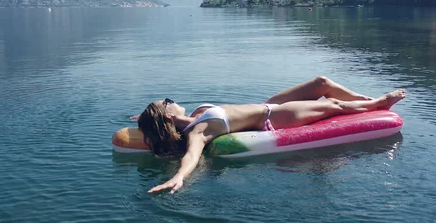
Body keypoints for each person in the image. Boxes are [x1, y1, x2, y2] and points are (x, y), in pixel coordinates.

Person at [132, 76, 406, 194]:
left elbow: (161, 121)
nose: (172, 100)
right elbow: (192, 155)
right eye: (167, 101)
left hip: (269, 103)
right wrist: (179, 177)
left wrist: (144, 119)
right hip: (274, 117)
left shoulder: (191, 116)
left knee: (322, 83)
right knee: (335, 105)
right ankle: (379, 103)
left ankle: (363, 98)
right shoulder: (198, 131)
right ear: (168, 114)